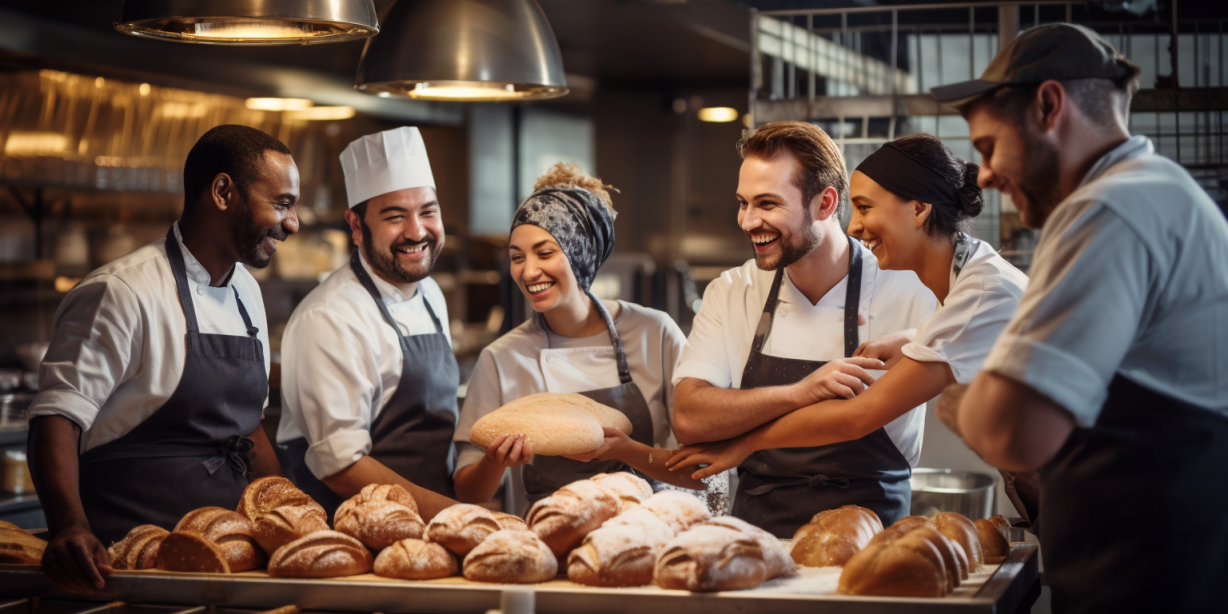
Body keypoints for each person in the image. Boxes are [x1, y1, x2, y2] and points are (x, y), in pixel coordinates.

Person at [931, 24, 1228, 613]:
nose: (983, 175)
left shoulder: (1108, 207)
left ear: (1048, 105)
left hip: (1152, 586)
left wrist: (960, 403)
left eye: (988, 147)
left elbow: (1017, 430)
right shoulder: (1159, 192)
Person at [668, 134, 1028, 501]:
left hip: (1067, 483)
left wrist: (747, 441)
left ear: (919, 210)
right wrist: (914, 339)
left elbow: (860, 415)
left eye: (865, 208)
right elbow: (688, 419)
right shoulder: (972, 279)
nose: (853, 226)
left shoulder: (973, 289)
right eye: (743, 203)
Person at [27, 125, 298, 592]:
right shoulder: (122, 291)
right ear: (222, 192)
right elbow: (56, 417)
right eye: (282, 203)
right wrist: (69, 526)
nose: (292, 223)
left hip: (226, 565)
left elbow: (246, 428)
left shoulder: (246, 293)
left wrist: (291, 511)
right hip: (131, 569)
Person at [670, 121, 937, 537]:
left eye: (767, 204)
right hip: (758, 545)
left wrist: (747, 432)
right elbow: (689, 417)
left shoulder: (910, 288)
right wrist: (799, 391)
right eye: (743, 203)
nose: (747, 220)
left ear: (825, 203)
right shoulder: (732, 290)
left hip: (873, 545)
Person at [453, 163, 705, 515]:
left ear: (580, 253)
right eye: (516, 257)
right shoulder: (501, 357)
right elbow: (468, 490)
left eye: (544, 253)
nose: (528, 271)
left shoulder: (655, 333)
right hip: (549, 542)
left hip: (648, 536)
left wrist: (626, 450)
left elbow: (704, 471)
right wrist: (496, 461)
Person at [276, 127, 459, 521]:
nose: (416, 232)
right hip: (349, 536)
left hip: (428, 530)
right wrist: (449, 515)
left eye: (428, 211)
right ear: (356, 226)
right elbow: (341, 466)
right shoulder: (329, 317)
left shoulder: (430, 295)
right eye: (395, 217)